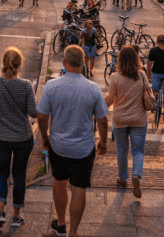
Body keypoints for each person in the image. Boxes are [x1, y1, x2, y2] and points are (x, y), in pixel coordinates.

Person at [37, 45, 109, 237]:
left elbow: (42, 116)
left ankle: (61, 222)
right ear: (83, 63)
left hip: (58, 146)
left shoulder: (52, 87)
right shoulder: (93, 89)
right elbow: (102, 119)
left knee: (59, 182)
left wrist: (45, 137)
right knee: (79, 188)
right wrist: (103, 141)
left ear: (64, 63)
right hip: (84, 148)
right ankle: (73, 232)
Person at [0, 47, 37, 229]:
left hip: (1, 137)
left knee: (0, 173)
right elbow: (33, 113)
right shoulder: (26, 85)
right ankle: (16, 216)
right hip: (23, 137)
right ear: (20, 65)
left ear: (3, 63)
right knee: (19, 174)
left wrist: (1, 112)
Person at [105, 45, 150, 199]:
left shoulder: (115, 77)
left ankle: (123, 178)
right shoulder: (141, 75)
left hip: (120, 119)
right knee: (138, 150)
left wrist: (97, 107)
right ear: (135, 59)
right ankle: (136, 174)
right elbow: (149, 94)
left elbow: (110, 100)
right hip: (139, 119)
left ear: (120, 60)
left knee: (122, 150)